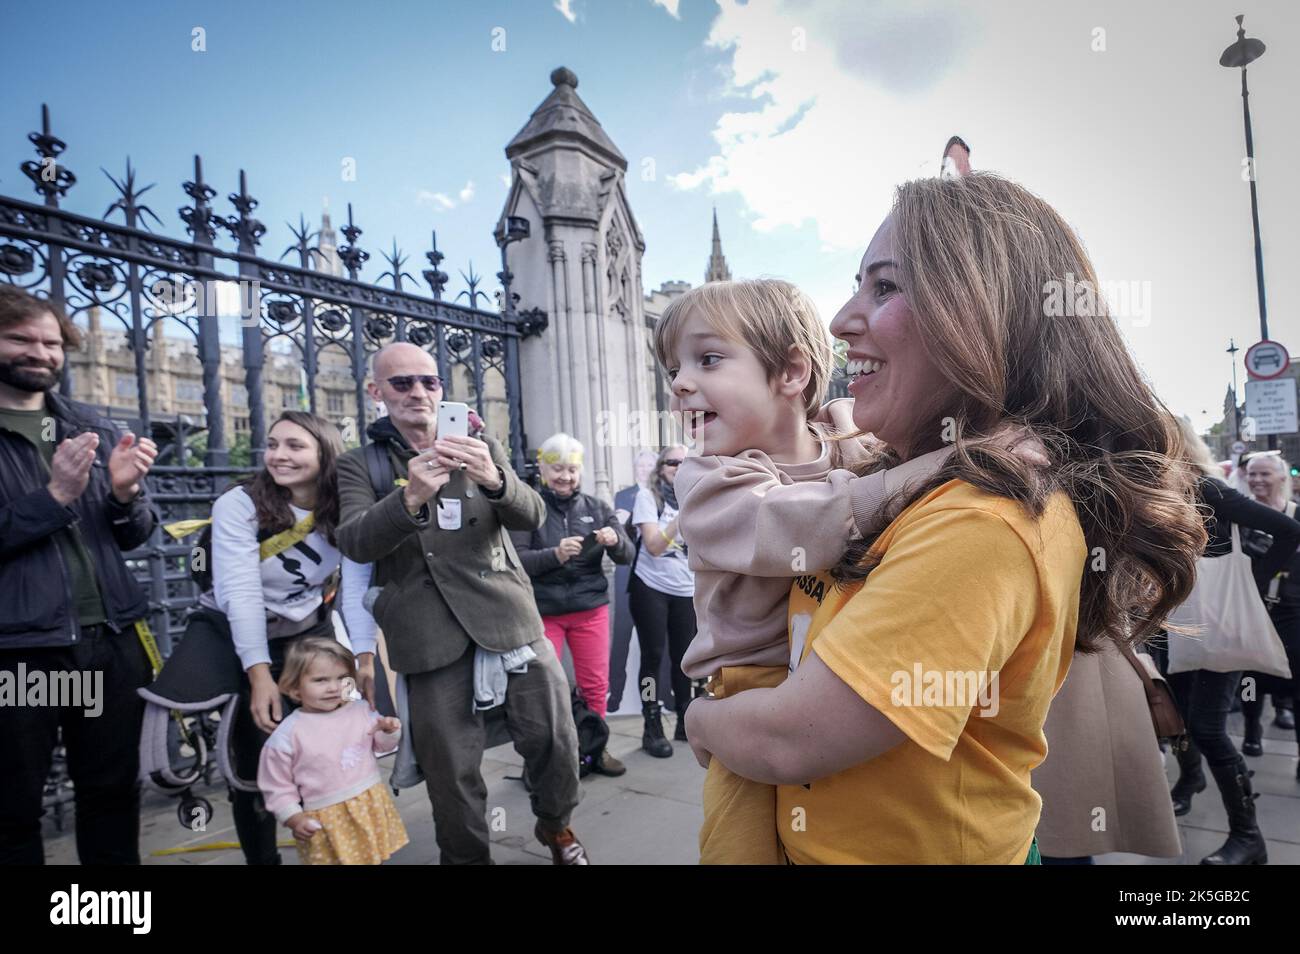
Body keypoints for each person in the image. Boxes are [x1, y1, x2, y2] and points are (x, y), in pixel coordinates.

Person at [684, 173, 1205, 864]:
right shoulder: (920, 484)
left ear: (986, 312)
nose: (841, 319)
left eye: (885, 286)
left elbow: (791, 737)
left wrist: (699, 716)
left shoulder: (986, 518)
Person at [662, 278, 1002, 863]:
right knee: (738, 849)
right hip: (750, 685)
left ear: (791, 373)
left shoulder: (843, 445)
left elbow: (867, 469)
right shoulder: (706, 479)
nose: (680, 382)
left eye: (708, 359)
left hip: (830, 674)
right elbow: (792, 525)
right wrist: (945, 462)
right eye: (674, 366)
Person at [335, 343, 586, 865]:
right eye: (401, 383)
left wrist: (494, 479)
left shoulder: (477, 441)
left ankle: (556, 825)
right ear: (376, 392)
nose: (417, 393)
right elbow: (355, 541)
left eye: (428, 382)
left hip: (507, 615)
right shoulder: (361, 464)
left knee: (555, 737)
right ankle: (466, 858)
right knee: (451, 769)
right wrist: (408, 499)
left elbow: (532, 515)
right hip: (426, 633)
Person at [0, 285, 158, 865]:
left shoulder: (83, 423)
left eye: (50, 342)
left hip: (108, 643)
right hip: (20, 652)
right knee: (13, 809)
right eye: (20, 338)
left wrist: (125, 494)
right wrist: (55, 496)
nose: (39, 352)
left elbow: (136, 533)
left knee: (112, 795)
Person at [178, 410, 345, 864]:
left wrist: (362, 661)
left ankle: (331, 852)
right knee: (256, 764)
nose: (278, 455)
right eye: (273, 444)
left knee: (323, 753)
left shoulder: (346, 502)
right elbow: (241, 593)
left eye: (295, 446)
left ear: (324, 453)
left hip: (309, 633)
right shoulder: (241, 503)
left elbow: (358, 583)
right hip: (245, 636)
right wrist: (259, 675)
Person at [1160, 425, 1299, 864]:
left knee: (1209, 727)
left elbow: (1287, 531)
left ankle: (1248, 835)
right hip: (1173, 623)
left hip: (1219, 623)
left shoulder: (1207, 489)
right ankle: (1190, 780)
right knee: (1178, 720)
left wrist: (1253, 586)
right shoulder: (1152, 491)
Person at [510, 431, 634, 777]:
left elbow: (628, 555)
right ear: (543, 470)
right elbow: (517, 561)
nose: (565, 476)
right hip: (543, 612)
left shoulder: (596, 507)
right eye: (558, 469)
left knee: (595, 685)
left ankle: (595, 748)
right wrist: (555, 554)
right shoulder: (528, 508)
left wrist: (615, 540)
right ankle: (540, 759)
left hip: (589, 609)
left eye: (572, 470)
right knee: (542, 689)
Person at [257, 637, 409, 865]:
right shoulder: (288, 736)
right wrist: (293, 818)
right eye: (320, 680)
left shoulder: (360, 711)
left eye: (341, 678)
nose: (333, 687)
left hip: (369, 805)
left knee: (374, 858)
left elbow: (381, 746)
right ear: (295, 688)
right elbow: (276, 785)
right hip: (327, 819)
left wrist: (388, 731)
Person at [629, 445, 697, 756]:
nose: (678, 467)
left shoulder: (696, 495)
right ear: (661, 467)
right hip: (651, 586)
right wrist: (684, 516)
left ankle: (686, 720)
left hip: (686, 588)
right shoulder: (648, 496)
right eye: (672, 462)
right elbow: (654, 546)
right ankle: (651, 724)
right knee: (653, 657)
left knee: (685, 659)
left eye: (685, 463)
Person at [1240, 453, 1300, 773]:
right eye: (1252, 474)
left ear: (1281, 477)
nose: (1258, 480)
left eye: (1264, 474)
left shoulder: (1296, 515)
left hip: (1292, 611)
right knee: (1251, 676)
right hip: (1252, 609)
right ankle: (1252, 729)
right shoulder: (1240, 517)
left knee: (1295, 673)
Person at [608, 449, 657, 712]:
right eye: (641, 465)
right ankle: (615, 694)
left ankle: (666, 695)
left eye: (650, 465)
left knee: (659, 639)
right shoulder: (623, 496)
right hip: (627, 572)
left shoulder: (663, 496)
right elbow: (619, 530)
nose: (645, 469)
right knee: (622, 633)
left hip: (658, 575)